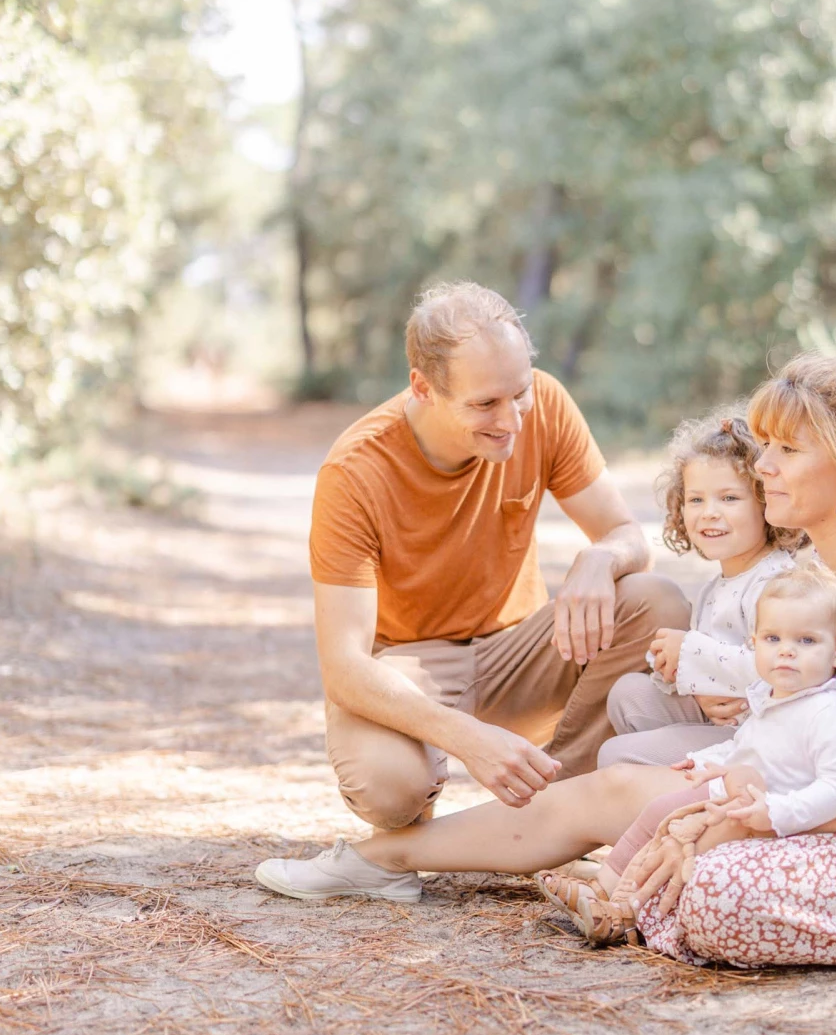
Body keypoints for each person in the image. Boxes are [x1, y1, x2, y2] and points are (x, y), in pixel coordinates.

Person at [258, 352, 836, 975]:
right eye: (765, 447)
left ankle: (644, 886)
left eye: (788, 450)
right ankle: (380, 857)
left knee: (715, 889)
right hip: (812, 806)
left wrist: (733, 825)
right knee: (622, 786)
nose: (765, 468)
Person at [255, 281, 690, 904]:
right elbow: (343, 666)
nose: (511, 420)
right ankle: (425, 835)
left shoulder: (546, 408)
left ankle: (555, 812)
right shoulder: (355, 472)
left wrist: (602, 556)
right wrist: (467, 738)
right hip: (413, 667)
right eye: (486, 403)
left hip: (522, 649)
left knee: (657, 599)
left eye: (521, 391)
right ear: (423, 387)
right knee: (388, 787)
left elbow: (625, 533)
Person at [541, 560, 836, 944]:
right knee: (660, 813)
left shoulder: (826, 711)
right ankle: (604, 887)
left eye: (806, 641)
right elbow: (748, 747)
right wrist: (708, 762)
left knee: (680, 842)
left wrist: (778, 813)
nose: (787, 653)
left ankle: (626, 913)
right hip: (736, 798)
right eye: (773, 640)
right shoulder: (772, 695)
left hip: (774, 819)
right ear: (754, 643)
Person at [596, 409, 794, 770]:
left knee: (615, 755)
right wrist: (676, 667)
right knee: (628, 692)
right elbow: (708, 666)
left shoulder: (777, 583)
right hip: (720, 718)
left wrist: (689, 651)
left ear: (766, 503)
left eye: (729, 499)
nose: (709, 513)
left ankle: (680, 797)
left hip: (757, 735)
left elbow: (782, 670)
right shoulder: (716, 586)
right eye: (696, 500)